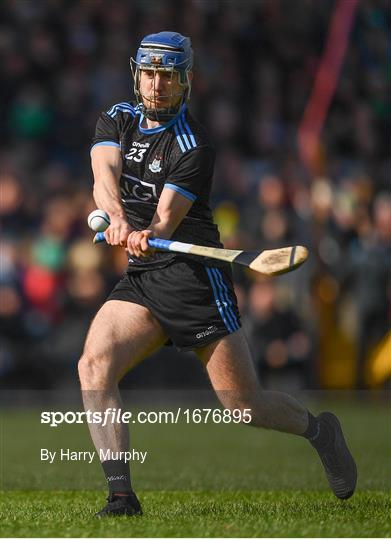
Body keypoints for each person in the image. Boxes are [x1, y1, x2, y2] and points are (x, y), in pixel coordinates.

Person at [78, 31, 357, 517]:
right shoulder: (118, 118)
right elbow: (104, 174)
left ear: (186, 80)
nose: (157, 85)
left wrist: (146, 230)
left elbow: (165, 219)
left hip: (194, 276)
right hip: (144, 278)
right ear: (135, 73)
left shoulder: (193, 144)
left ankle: (320, 431)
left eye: (167, 76)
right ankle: (121, 497)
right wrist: (119, 218)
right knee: (93, 366)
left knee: (243, 406)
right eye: (149, 73)